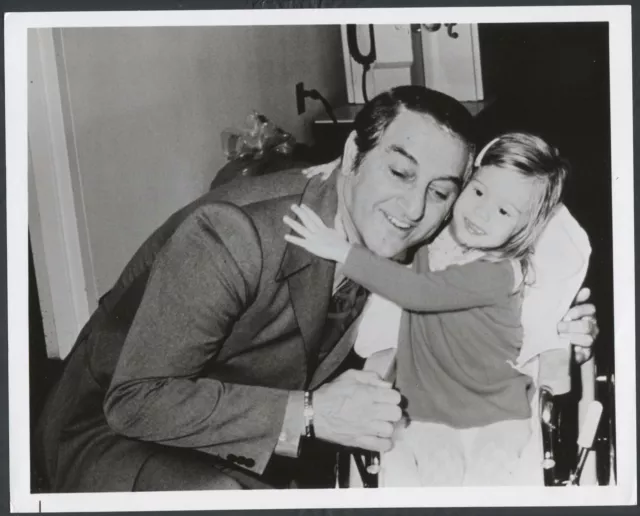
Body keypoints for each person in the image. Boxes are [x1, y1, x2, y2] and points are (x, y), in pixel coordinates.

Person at [34, 86, 598, 492]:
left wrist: (557, 329)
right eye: (400, 174)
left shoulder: (423, 234)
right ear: (353, 156)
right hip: (115, 433)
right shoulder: (232, 234)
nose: (412, 210)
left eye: (441, 191)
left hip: (247, 426)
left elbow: (537, 225)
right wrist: (306, 415)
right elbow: (134, 401)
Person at [284, 131, 580, 486]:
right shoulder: (430, 240)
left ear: (524, 229)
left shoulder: (503, 273)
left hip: (497, 412)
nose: (481, 213)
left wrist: (340, 252)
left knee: (493, 478)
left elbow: (419, 292)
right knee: (440, 477)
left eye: (503, 211)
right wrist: (340, 168)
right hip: (427, 412)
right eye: (479, 191)